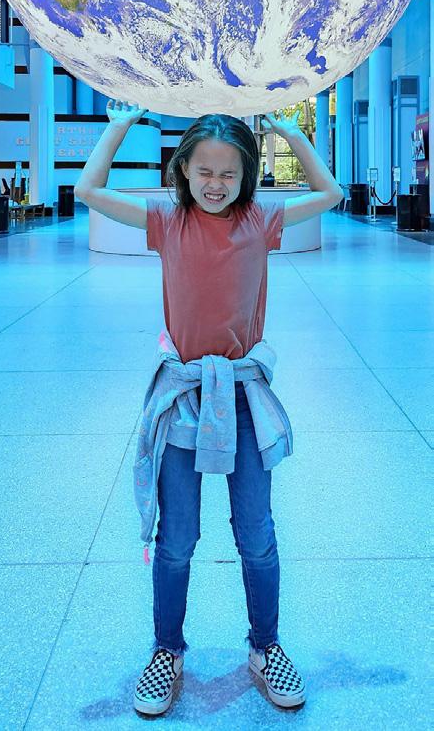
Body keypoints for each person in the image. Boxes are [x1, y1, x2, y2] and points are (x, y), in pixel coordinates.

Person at [74, 102, 343, 717]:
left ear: (246, 174)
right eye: (204, 172)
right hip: (185, 398)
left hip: (243, 397)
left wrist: (293, 134)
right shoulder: (167, 221)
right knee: (177, 539)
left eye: (228, 172)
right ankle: (166, 651)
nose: (216, 184)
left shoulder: (261, 219)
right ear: (183, 172)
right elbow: (88, 190)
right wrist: (118, 125)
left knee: (257, 533)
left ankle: (265, 647)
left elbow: (330, 193)